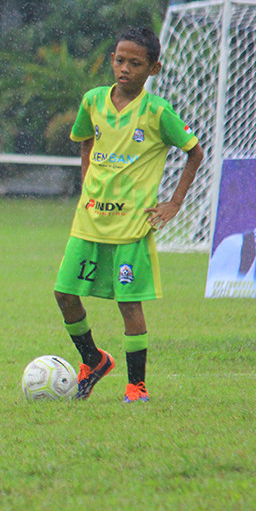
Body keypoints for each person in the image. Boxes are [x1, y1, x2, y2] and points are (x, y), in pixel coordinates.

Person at [54, 27, 204, 404]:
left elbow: (195, 152)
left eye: (135, 63)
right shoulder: (92, 101)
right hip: (89, 220)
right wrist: (87, 184)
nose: (125, 69)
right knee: (64, 294)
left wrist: (174, 203)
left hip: (131, 225)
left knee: (129, 304)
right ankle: (93, 359)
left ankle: (136, 386)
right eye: (120, 60)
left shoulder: (157, 112)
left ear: (154, 68)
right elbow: (86, 143)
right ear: (111, 60)